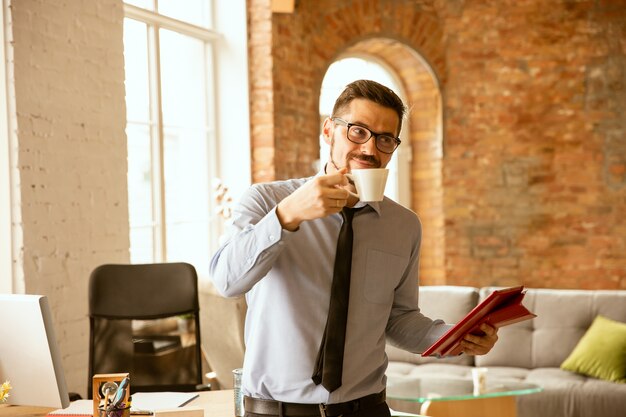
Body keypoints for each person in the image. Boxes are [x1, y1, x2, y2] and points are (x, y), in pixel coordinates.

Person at [210, 79, 498, 417]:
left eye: (385, 139)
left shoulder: (403, 226)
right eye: (358, 131)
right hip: (276, 412)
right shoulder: (267, 201)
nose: (370, 150)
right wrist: (287, 216)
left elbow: (399, 319)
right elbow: (226, 281)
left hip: (366, 410)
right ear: (329, 130)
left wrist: (455, 337)